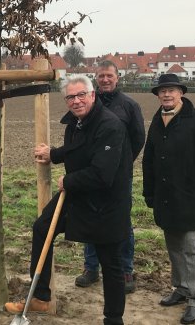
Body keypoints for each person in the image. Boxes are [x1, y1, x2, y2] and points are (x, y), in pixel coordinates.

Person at [5, 74, 131, 325]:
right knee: (42, 228)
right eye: (70, 97)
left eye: (81, 95)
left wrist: (68, 181)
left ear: (92, 95)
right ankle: (40, 296)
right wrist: (53, 154)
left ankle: (113, 319)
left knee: (111, 263)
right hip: (78, 196)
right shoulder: (76, 123)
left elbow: (102, 174)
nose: (76, 101)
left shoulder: (110, 125)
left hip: (106, 204)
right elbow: (79, 149)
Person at [142, 73, 195, 325]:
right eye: (162, 91)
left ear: (181, 93)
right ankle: (180, 289)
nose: (166, 94)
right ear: (157, 95)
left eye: (171, 90)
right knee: (174, 247)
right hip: (166, 198)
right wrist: (150, 192)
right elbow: (149, 161)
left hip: (190, 197)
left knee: (190, 249)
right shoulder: (157, 121)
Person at [75, 61, 145, 293]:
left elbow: (138, 139)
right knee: (90, 218)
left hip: (119, 178)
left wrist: (120, 164)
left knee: (121, 222)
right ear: (95, 78)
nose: (105, 79)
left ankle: (125, 271)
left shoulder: (129, 106)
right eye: (101, 76)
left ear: (117, 78)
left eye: (109, 76)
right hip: (91, 174)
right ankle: (91, 268)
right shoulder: (88, 103)